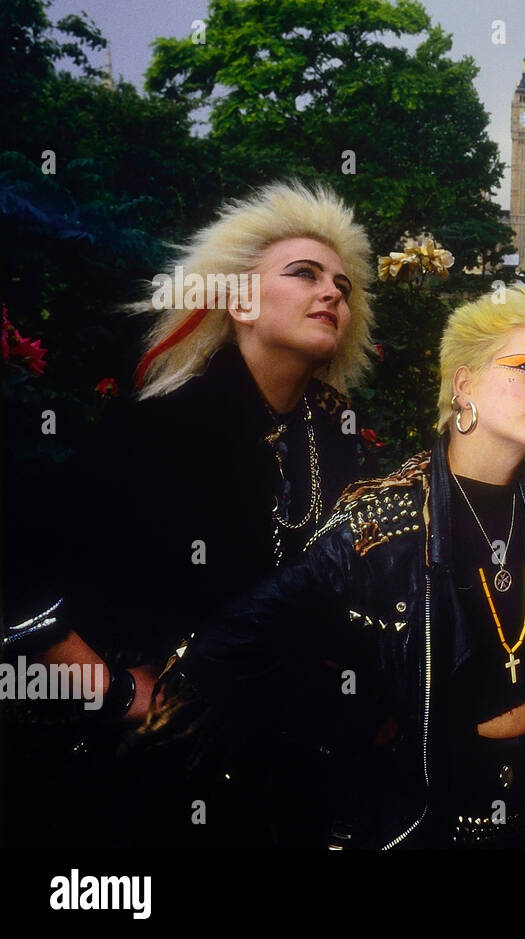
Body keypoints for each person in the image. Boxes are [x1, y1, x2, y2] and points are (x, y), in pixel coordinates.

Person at [158, 286, 525, 849]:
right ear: (464, 384)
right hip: (418, 826)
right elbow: (241, 644)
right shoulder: (384, 523)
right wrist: (377, 726)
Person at [2, 180, 373, 848]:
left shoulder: (339, 443)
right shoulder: (158, 429)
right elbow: (17, 558)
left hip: (286, 780)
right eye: (305, 274)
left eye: (344, 285)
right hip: (155, 783)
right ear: (240, 300)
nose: (333, 293)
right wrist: (110, 689)